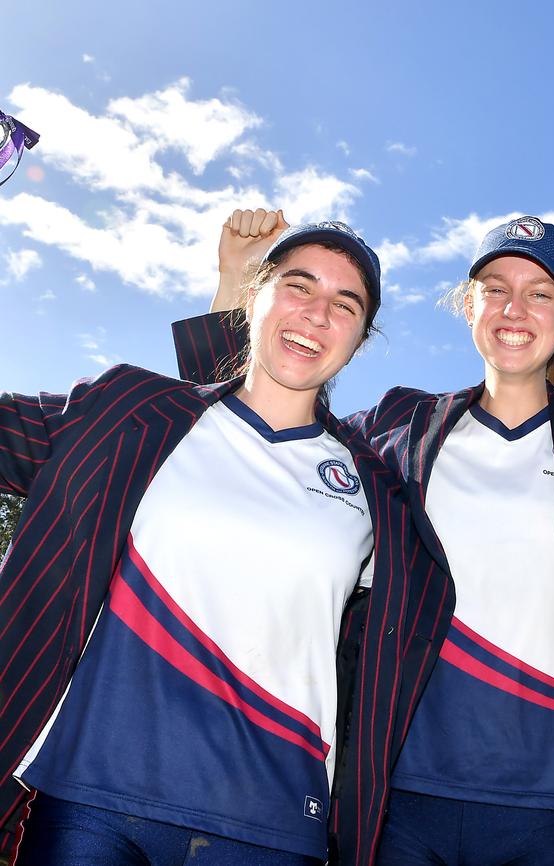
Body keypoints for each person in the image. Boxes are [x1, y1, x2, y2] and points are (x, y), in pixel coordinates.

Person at [176, 212, 554, 865]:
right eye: (494, 288)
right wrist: (235, 286)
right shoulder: (399, 427)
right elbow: (257, 432)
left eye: (540, 293)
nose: (515, 308)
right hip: (401, 800)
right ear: (467, 305)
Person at [0, 220, 415, 866]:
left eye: (345, 305)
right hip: (92, 801)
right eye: (297, 286)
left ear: (360, 341)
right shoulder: (135, 414)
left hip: (271, 824)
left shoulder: (375, 487)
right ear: (256, 296)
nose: (316, 315)